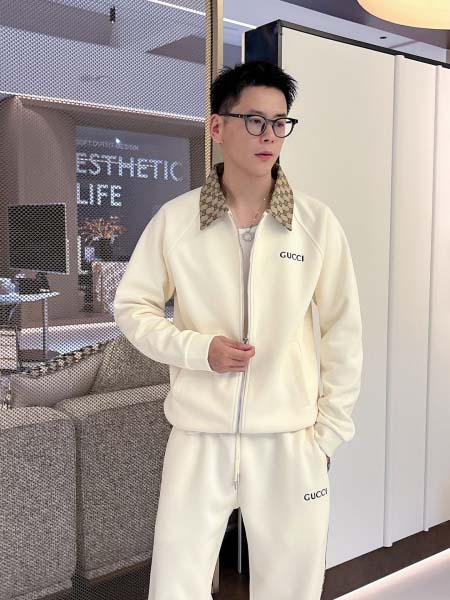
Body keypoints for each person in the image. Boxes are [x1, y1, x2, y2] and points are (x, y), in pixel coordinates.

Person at [113, 60, 363, 600]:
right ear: (217, 126)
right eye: (254, 120)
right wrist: (198, 350)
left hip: (290, 441)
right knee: (176, 585)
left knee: (292, 586)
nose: (269, 135)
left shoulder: (315, 225)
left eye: (280, 122)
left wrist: (328, 434)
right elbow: (132, 307)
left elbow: (343, 331)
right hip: (198, 438)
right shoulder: (176, 220)